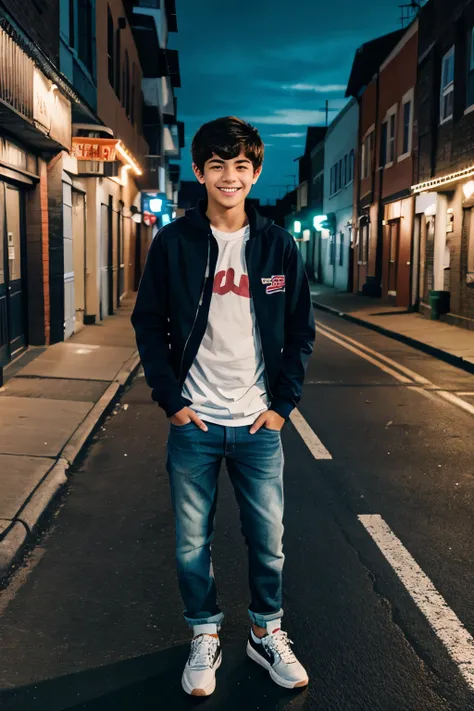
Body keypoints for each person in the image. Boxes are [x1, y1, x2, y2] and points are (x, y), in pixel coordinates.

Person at [131, 116, 316, 697]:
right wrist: (172, 402)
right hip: (196, 423)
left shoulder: (277, 244)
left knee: (269, 542)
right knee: (192, 543)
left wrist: (283, 406)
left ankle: (265, 633)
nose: (229, 177)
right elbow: (148, 323)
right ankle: (204, 634)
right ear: (200, 171)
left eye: (241, 166)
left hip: (259, 424)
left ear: (255, 172)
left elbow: (300, 331)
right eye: (218, 166)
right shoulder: (174, 243)